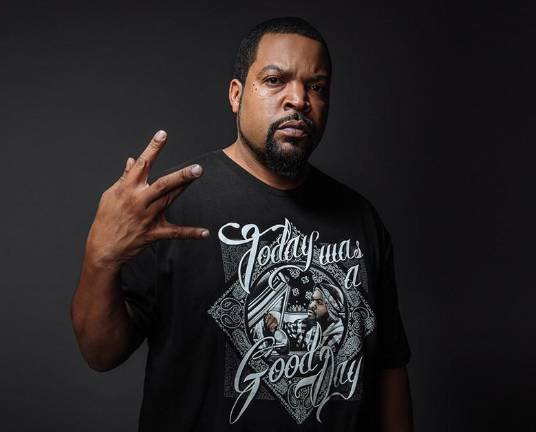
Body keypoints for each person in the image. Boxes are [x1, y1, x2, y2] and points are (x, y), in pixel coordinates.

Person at [71, 16, 413, 431]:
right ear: (236, 95)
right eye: (275, 80)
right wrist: (100, 258)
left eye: (317, 87)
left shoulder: (361, 219)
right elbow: (100, 353)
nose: (299, 100)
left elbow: (389, 367)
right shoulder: (172, 203)